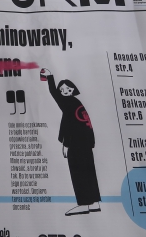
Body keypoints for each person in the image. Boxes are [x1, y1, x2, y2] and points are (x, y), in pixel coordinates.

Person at [40, 68, 101, 216]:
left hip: (76, 144)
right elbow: (87, 123)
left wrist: (66, 144)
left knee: (78, 172)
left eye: (67, 89)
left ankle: (84, 204)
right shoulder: (77, 103)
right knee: (88, 171)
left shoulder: (68, 103)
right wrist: (91, 142)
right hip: (86, 143)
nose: (64, 91)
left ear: (73, 90)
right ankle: (94, 202)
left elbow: (70, 124)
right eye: (62, 90)